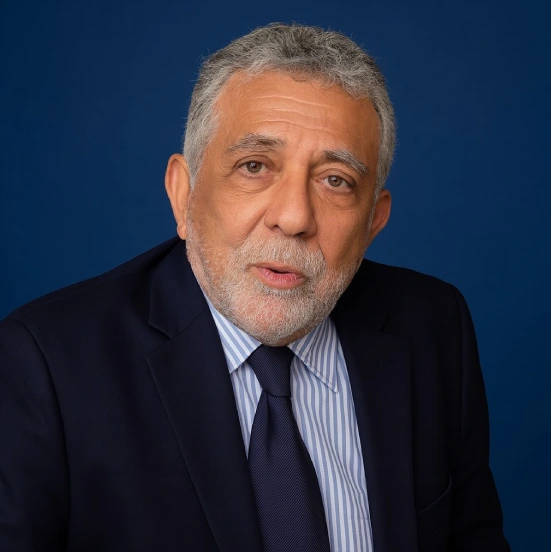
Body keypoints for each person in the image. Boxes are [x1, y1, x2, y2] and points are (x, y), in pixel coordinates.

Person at [0, 23, 509, 552]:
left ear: (373, 222)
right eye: (254, 166)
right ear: (183, 194)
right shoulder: (44, 366)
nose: (294, 217)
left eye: (335, 180)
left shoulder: (433, 327)